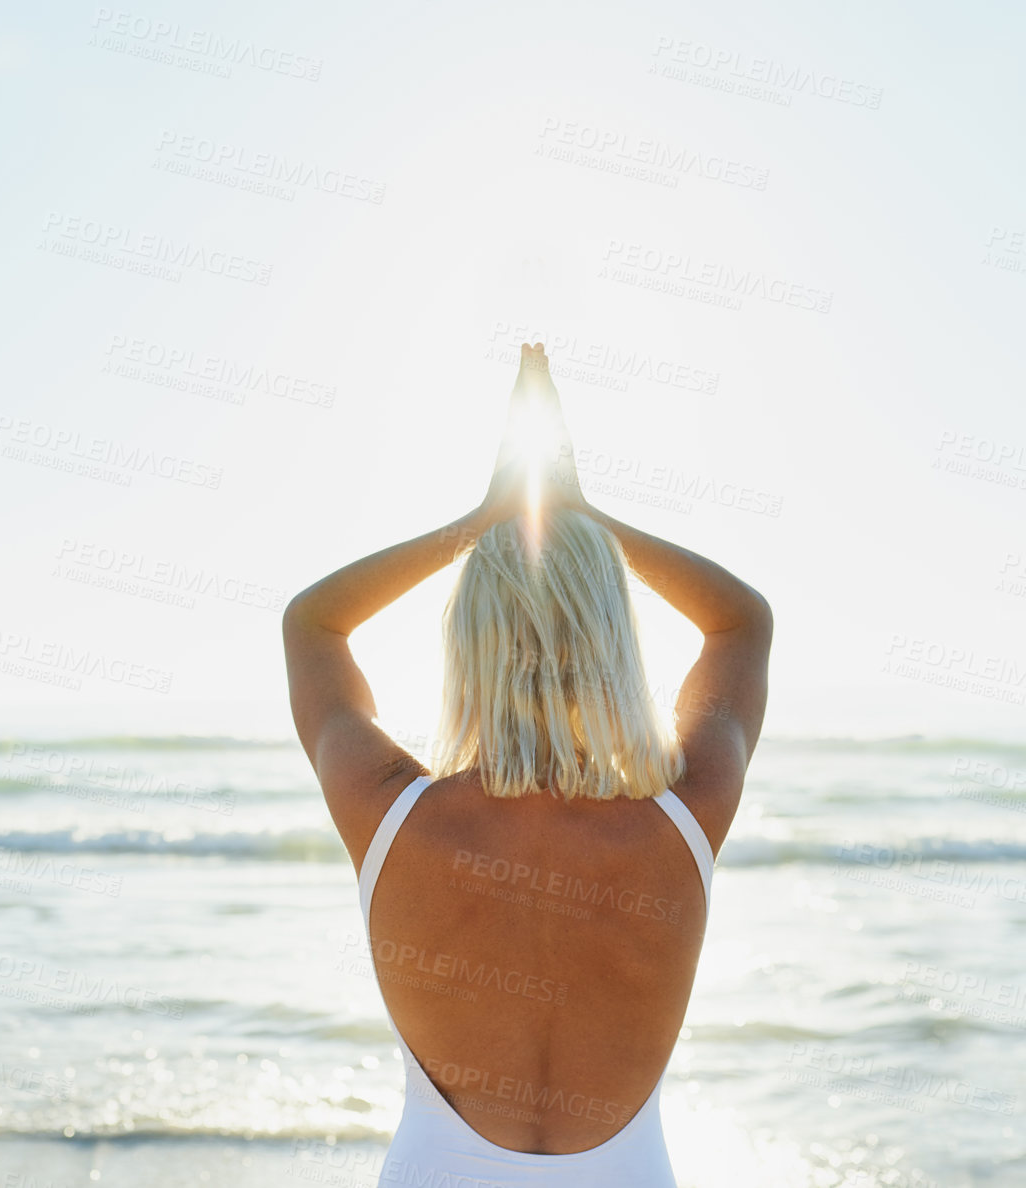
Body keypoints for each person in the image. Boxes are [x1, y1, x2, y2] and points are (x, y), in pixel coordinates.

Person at [282, 343, 772, 1186]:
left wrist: (482, 520)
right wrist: (587, 520)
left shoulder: (389, 810)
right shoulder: (688, 815)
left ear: (468, 644)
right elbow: (740, 623)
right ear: (614, 642)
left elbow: (313, 626)